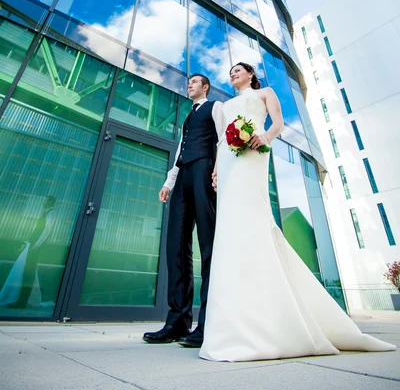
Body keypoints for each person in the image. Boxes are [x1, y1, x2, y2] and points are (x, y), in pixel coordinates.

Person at [199, 63, 396, 361]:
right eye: (231, 72)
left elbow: (277, 123)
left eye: (239, 70)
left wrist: (264, 137)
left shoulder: (265, 93)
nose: (233, 74)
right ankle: (234, 321)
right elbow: (221, 141)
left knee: (252, 220)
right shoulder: (224, 105)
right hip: (227, 163)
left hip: (252, 155)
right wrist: (215, 170)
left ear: (251, 74)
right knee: (230, 229)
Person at [143, 74, 223, 348]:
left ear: (206, 87)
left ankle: (208, 323)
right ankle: (176, 322)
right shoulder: (189, 117)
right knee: (175, 245)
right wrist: (169, 182)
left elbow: (224, 140)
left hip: (204, 171)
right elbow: (180, 150)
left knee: (208, 246)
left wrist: (217, 170)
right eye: (188, 83)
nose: (189, 85)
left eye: (194, 82)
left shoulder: (215, 108)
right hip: (184, 175)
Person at [4, 196, 56, 310]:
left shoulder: (51, 214)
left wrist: (36, 245)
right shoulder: (45, 213)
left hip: (35, 246)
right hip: (32, 244)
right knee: (26, 271)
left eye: (46, 200)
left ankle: (22, 301)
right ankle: (20, 299)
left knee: (29, 273)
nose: (43, 202)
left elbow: (47, 231)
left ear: (51, 202)